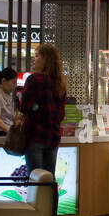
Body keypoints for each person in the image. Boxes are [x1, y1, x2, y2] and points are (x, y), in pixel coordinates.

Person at [19, 43, 68, 175]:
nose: (34, 59)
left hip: (35, 135)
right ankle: (51, 197)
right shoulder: (59, 83)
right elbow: (61, 114)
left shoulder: (34, 79)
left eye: (36, 56)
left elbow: (25, 107)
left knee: (36, 180)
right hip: (53, 137)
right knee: (49, 178)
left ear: (45, 59)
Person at [0, 67, 19, 135]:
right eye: (13, 82)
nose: (15, 85)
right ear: (3, 81)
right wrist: (11, 133)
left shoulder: (8, 94)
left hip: (7, 130)